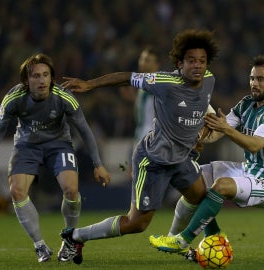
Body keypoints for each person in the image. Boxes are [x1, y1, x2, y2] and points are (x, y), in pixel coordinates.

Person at [59, 28, 219, 264]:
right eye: (192, 61)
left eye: (202, 61)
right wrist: (90, 85)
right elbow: (127, 76)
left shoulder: (208, 80)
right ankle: (75, 236)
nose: (198, 66)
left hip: (182, 158)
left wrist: (200, 133)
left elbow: (201, 109)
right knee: (136, 223)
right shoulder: (164, 81)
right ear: (179, 63)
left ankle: (174, 240)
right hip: (154, 160)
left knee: (201, 196)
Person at [149, 53, 264, 261]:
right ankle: (194, 237)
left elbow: (255, 145)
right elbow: (218, 131)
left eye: (260, 79)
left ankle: (183, 239)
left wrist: (225, 129)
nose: (254, 83)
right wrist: (197, 136)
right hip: (249, 170)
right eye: (252, 78)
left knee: (221, 186)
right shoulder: (246, 104)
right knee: (195, 179)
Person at [0, 53, 111, 263]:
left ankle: (69, 241)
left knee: (72, 190)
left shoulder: (63, 97)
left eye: (46, 75)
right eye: (36, 76)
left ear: (51, 77)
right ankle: (40, 246)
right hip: (27, 146)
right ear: (26, 81)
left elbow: (84, 129)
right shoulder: (14, 98)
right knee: (17, 191)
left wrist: (98, 164)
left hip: (59, 145)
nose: (42, 80)